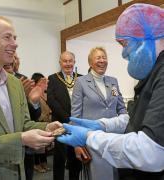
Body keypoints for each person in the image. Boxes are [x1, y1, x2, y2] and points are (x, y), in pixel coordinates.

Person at [57, 3, 164, 180]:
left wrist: (91, 136)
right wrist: (103, 125)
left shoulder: (158, 74)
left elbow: (151, 152)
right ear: (90, 62)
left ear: (147, 36)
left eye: (125, 44)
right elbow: (137, 118)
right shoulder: (82, 82)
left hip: (122, 148)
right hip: (115, 145)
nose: (123, 54)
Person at [0, 16, 62, 180]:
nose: (15, 43)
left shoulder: (15, 83)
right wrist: (20, 140)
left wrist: (47, 127)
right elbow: (20, 136)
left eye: (15, 38)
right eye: (7, 37)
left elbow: (23, 125)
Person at [71, 46, 128, 180]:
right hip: (93, 139)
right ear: (90, 62)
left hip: (115, 137)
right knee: (100, 175)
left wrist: (125, 125)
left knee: (116, 174)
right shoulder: (81, 82)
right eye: (98, 58)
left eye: (104, 57)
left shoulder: (113, 81)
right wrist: (77, 144)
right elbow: (75, 116)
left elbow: (121, 108)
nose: (102, 60)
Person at [4, 53, 45, 180]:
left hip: (25, 146)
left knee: (27, 174)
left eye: (16, 58)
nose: (13, 60)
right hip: (2, 145)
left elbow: (32, 116)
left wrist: (33, 102)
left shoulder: (24, 80)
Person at [47, 51, 82, 180]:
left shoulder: (82, 78)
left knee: (75, 156)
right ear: (60, 63)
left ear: (74, 62)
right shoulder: (52, 78)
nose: (68, 64)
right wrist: (68, 119)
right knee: (60, 157)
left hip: (77, 124)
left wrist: (76, 120)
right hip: (59, 123)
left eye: (70, 61)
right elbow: (51, 101)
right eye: (65, 61)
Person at [31, 72, 52, 173]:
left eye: (44, 82)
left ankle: (43, 162)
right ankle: (37, 164)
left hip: (46, 122)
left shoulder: (46, 93)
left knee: (43, 146)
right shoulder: (33, 94)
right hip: (37, 121)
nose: (44, 84)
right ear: (35, 83)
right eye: (41, 82)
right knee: (37, 146)